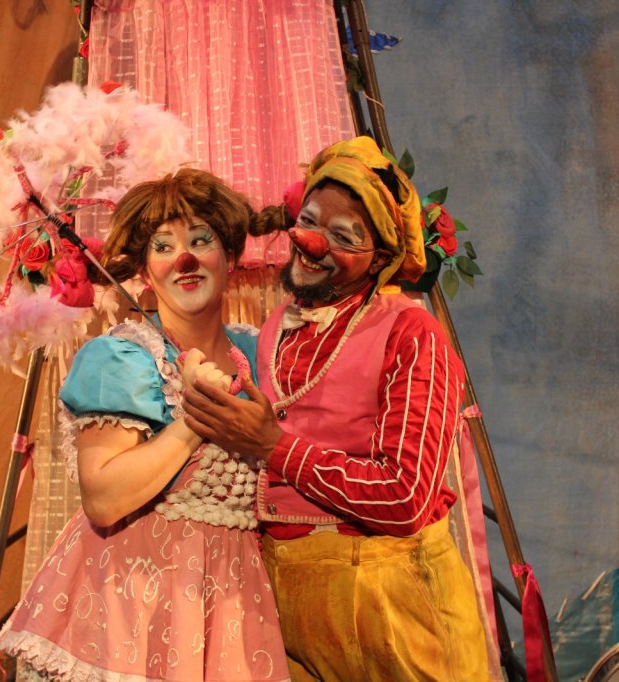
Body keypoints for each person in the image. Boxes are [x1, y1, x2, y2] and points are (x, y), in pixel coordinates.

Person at [182, 137, 493, 681]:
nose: (310, 242)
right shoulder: (277, 325)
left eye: (343, 237)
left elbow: (405, 497)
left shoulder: (411, 334)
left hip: (391, 600)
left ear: (381, 259)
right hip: (286, 594)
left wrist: (273, 447)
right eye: (308, 221)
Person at [0, 168, 290, 682]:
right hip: (131, 609)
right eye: (163, 247)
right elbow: (104, 498)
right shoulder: (125, 358)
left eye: (201, 240)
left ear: (229, 254)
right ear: (145, 270)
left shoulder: (261, 354)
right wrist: (197, 415)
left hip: (232, 610)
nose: (185, 260)